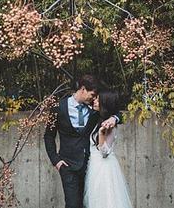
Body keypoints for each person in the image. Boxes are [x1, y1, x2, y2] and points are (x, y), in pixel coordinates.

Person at [44, 75, 122, 208]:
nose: (94, 98)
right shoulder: (58, 107)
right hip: (68, 166)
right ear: (83, 89)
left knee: (90, 204)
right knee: (73, 204)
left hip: (90, 165)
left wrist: (115, 118)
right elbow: (48, 136)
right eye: (92, 94)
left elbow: (113, 109)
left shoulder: (94, 109)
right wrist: (56, 161)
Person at [83, 90, 134, 208]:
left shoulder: (109, 125)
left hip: (104, 168)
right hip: (95, 166)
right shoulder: (98, 119)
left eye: (97, 100)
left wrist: (101, 133)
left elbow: (105, 152)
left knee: (107, 200)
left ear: (104, 104)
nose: (94, 101)